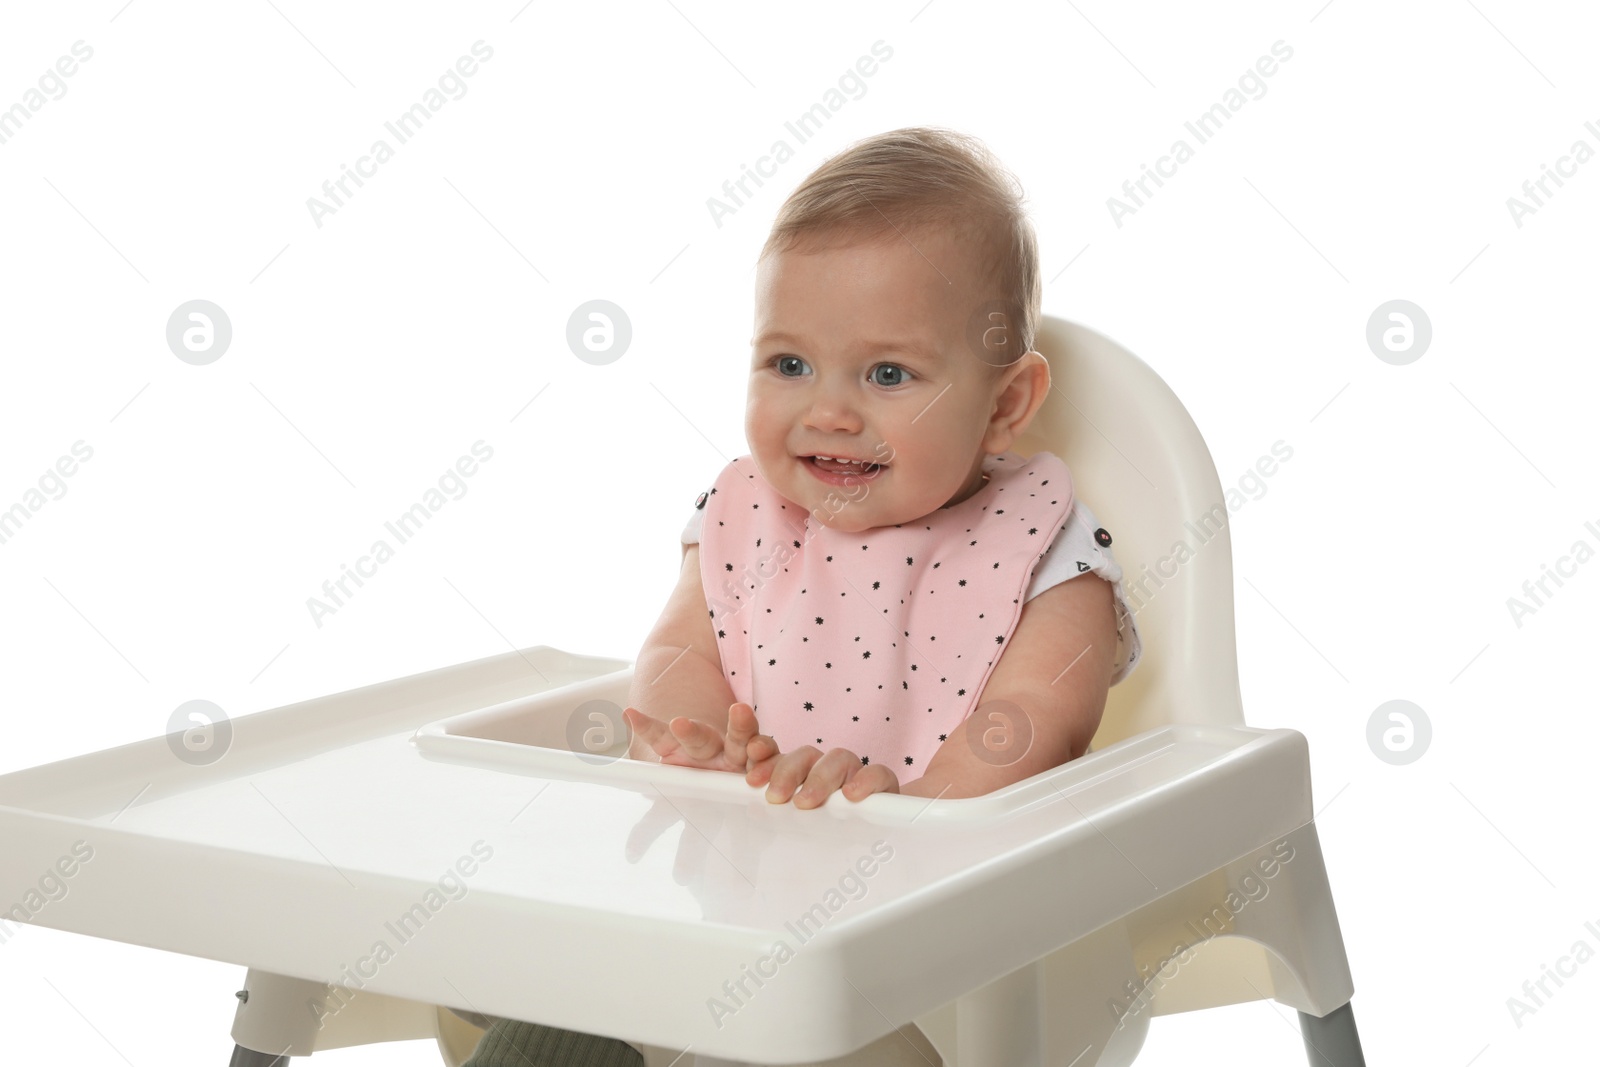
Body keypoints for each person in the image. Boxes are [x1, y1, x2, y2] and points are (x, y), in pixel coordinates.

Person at [461, 125, 1142, 1067]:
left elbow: (1037, 722)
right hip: (717, 923)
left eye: (888, 373)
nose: (828, 410)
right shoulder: (746, 516)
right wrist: (694, 739)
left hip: (942, 970)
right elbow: (675, 654)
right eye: (789, 364)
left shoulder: (1043, 547)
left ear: (1005, 405)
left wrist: (901, 809)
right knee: (551, 1024)